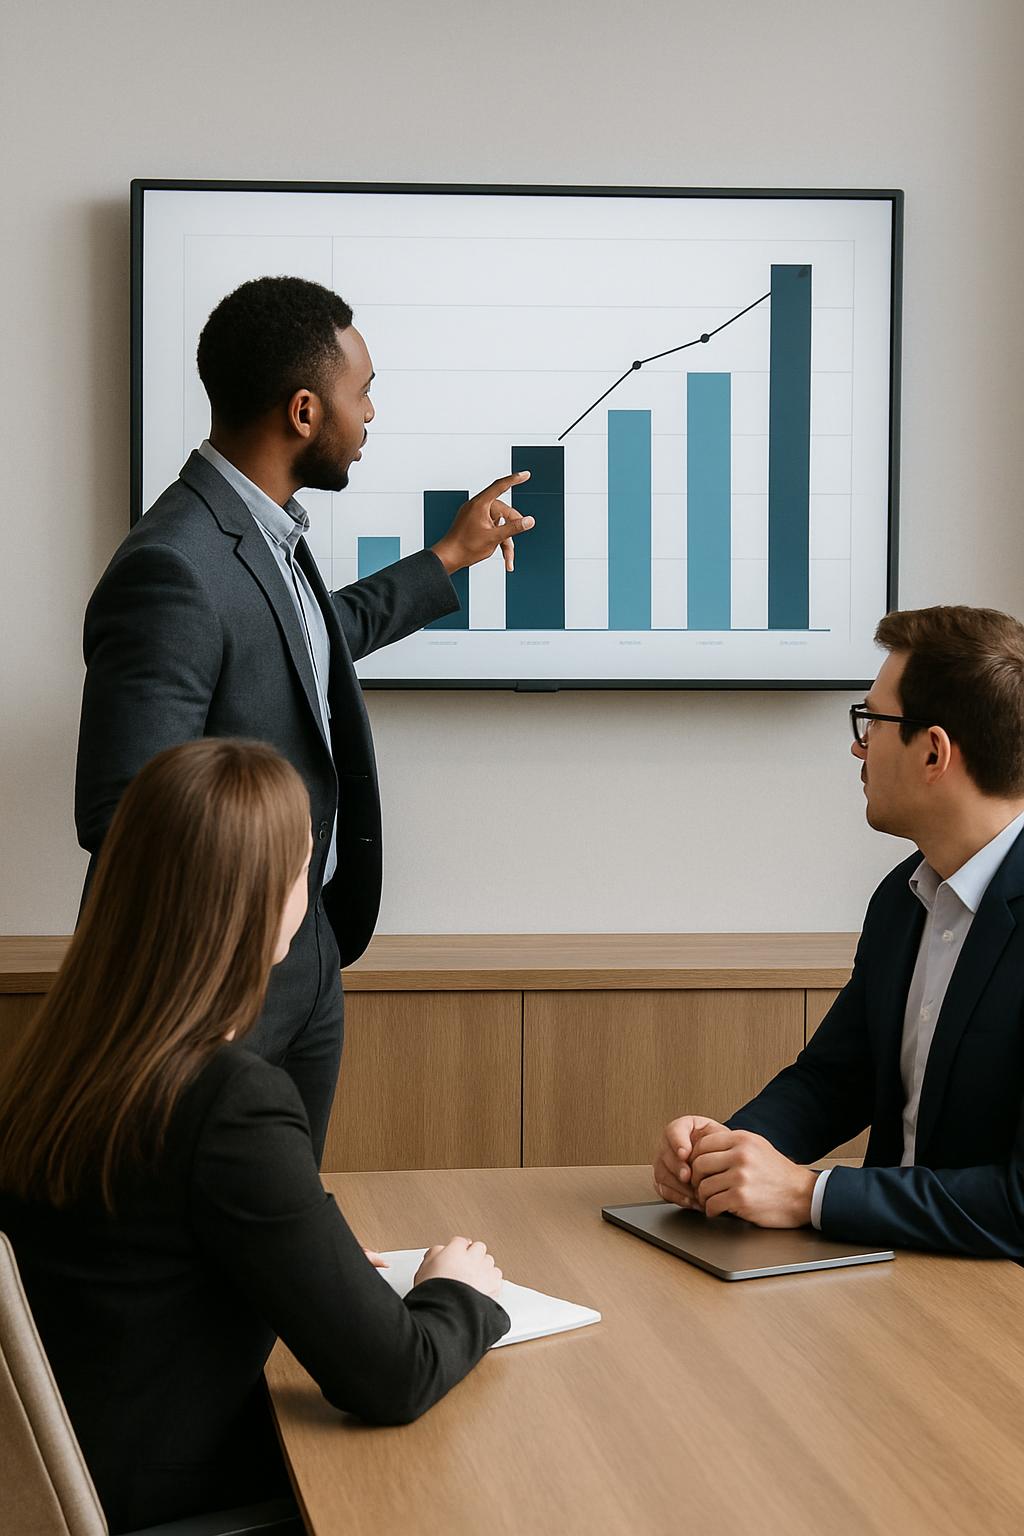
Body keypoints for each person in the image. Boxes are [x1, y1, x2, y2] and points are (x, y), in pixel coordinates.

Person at [74, 275, 534, 1160]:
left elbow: (314, 643)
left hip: (308, 953)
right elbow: (121, 807)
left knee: (283, 1226)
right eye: (362, 393)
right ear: (304, 412)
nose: (372, 415)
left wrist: (451, 554)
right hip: (215, 981)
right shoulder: (171, 564)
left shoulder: (263, 532)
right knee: (226, 1245)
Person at [0, 738, 509, 1534]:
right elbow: (395, 1377)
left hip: (79, 1479)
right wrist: (457, 1291)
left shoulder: (59, 1059)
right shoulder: (225, 1100)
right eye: (305, 869)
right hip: (187, 1502)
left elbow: (140, 1261)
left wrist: (307, 1262)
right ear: (263, 899)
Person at [653, 604, 1024, 1258]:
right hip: (890, 1275)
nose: (858, 745)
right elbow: (834, 1079)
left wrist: (807, 1195)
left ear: (933, 750)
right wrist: (727, 1152)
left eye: (873, 722)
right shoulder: (903, 896)